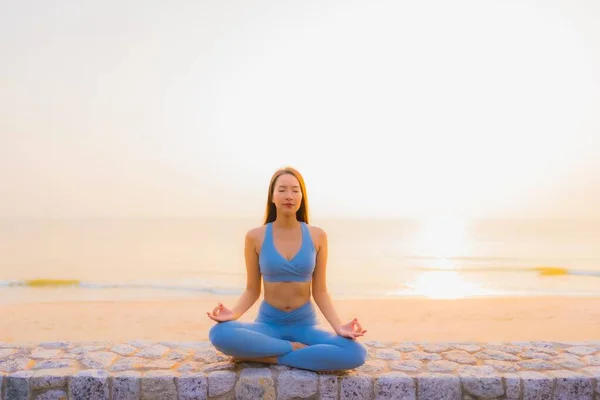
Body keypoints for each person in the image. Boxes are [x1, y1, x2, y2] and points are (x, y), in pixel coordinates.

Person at [206, 166, 368, 372]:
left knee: (357, 353)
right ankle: (292, 350)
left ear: (302, 197)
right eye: (282, 190)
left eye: (295, 190)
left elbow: (320, 291)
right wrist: (234, 314)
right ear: (272, 197)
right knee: (219, 334)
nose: (288, 196)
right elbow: (252, 290)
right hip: (268, 325)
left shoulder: (317, 236)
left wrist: (338, 327)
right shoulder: (255, 236)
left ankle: (271, 358)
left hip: (305, 326)